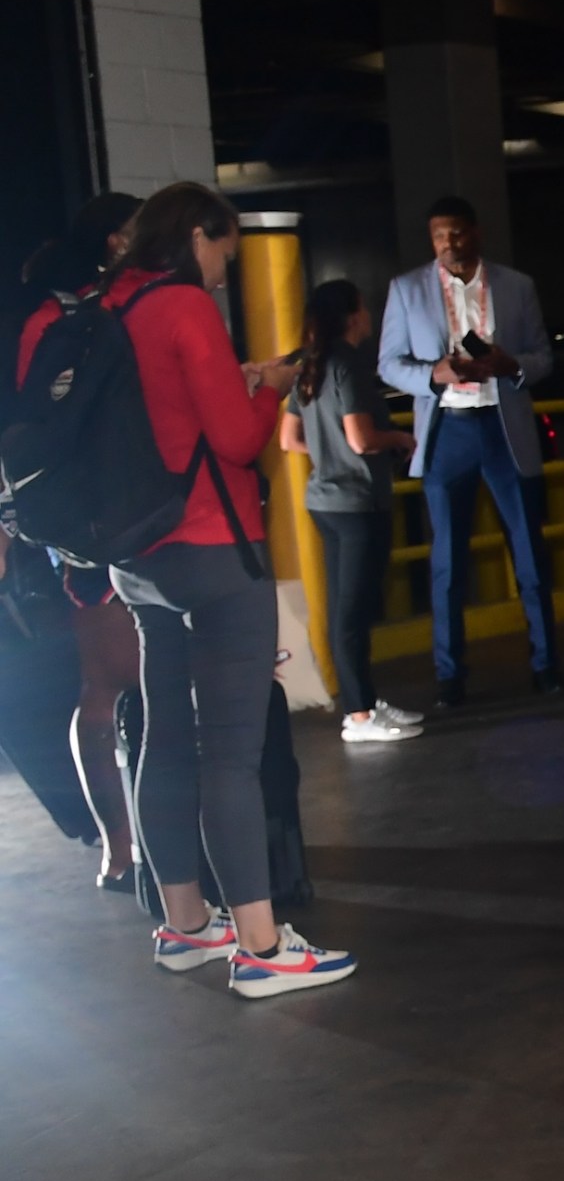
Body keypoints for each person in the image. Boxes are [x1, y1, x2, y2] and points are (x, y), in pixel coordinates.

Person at [14, 182, 354, 996]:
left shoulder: (111, 304)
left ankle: (185, 925)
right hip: (212, 547)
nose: (220, 273)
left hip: (137, 556)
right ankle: (265, 947)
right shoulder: (181, 307)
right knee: (230, 753)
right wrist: (268, 385)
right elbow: (236, 439)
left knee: (161, 734)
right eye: (222, 255)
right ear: (198, 235)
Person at [15, 192, 147, 889]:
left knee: (134, 686)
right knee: (107, 686)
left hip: (142, 514)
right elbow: (32, 429)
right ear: (112, 239)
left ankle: (144, 844)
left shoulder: (129, 304)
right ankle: (118, 847)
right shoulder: (57, 316)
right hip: (86, 527)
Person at [379, 194, 558, 708]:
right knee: (447, 563)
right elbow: (389, 364)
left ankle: (547, 665)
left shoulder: (516, 285)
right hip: (447, 431)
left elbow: (544, 357)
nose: (447, 244)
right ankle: (449, 677)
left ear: (475, 233)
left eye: (456, 234)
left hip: (504, 430)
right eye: (438, 236)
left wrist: (510, 365)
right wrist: (432, 375)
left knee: (529, 555)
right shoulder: (407, 289)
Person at [279, 279, 420, 743]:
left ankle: (362, 702)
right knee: (353, 613)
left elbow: (289, 439)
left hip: (325, 501)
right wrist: (398, 439)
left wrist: (328, 455)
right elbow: (361, 439)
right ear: (354, 315)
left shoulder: (310, 365)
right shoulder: (347, 365)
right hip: (358, 501)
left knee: (346, 608)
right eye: (364, 307)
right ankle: (358, 714)